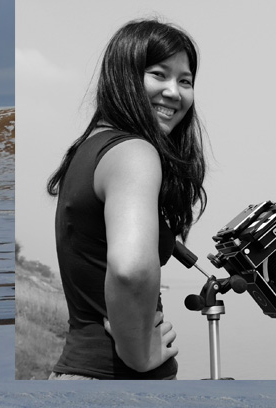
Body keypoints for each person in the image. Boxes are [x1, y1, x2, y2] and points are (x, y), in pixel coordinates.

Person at [46, 19, 207, 380]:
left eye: (185, 80)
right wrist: (139, 354)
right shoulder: (135, 153)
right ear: (125, 76)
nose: (174, 92)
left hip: (81, 372)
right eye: (159, 74)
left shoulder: (91, 149)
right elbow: (131, 268)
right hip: (116, 380)